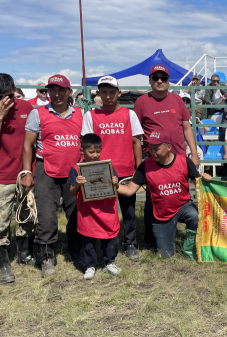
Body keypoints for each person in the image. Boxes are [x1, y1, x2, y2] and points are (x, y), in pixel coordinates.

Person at [21, 74, 83, 276]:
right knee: (47, 216)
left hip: (73, 171)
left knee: (76, 213)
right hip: (45, 168)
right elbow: (27, 146)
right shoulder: (38, 113)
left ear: (69, 92)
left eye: (61, 90)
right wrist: (27, 172)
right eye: (52, 90)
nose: (56, 94)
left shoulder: (80, 114)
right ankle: (46, 255)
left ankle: (77, 250)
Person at [118, 130, 211, 259]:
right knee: (165, 255)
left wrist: (206, 179)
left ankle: (190, 248)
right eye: (150, 148)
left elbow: (200, 186)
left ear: (169, 147)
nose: (152, 152)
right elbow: (129, 190)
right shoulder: (145, 166)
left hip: (184, 206)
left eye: (156, 148)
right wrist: (110, 186)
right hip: (161, 213)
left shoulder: (184, 161)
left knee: (195, 216)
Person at [81, 76, 144, 261]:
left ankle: (130, 243)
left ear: (119, 93)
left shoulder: (129, 114)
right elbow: (86, 145)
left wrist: (139, 169)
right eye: (104, 92)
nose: (108, 96)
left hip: (125, 171)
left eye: (111, 92)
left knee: (129, 211)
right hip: (100, 172)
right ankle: (104, 244)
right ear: (98, 93)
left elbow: (136, 142)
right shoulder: (90, 115)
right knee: (102, 212)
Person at [0, 73, 35, 283]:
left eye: (7, 96)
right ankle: (2, 264)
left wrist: (29, 171)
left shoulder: (27, 108)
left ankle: (24, 254)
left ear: (14, 89)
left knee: (27, 217)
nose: (3, 101)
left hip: (24, 173)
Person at [68, 134, 121, 280]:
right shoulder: (75, 169)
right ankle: (90, 265)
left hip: (106, 210)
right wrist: (78, 183)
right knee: (88, 241)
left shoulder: (107, 166)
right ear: (82, 150)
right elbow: (72, 192)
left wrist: (116, 182)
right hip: (88, 212)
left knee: (111, 238)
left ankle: (109, 262)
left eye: (98, 151)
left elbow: (116, 188)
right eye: (91, 152)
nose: (95, 155)